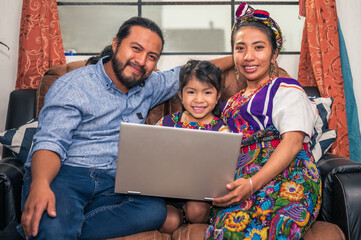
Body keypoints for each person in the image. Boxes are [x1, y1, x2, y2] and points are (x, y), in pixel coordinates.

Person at [18, 17, 233, 240]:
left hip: (115, 183)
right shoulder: (74, 85)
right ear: (116, 44)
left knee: (154, 211)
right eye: (136, 48)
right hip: (67, 172)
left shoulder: (149, 85)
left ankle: (62, 229)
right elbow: (51, 142)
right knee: (52, 223)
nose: (141, 61)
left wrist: (241, 57)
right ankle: (55, 228)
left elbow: (190, 72)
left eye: (152, 57)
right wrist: (40, 184)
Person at [204, 3, 321, 240]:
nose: (248, 57)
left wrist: (252, 184)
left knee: (277, 229)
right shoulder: (229, 104)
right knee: (227, 231)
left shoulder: (286, 90)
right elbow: (199, 71)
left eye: (259, 47)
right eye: (240, 48)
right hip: (240, 181)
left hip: (288, 175)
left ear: (274, 53)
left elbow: (293, 143)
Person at [156, 60, 230, 234]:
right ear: (180, 95)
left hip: (200, 194)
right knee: (169, 222)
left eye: (207, 92)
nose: (199, 100)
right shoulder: (165, 123)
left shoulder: (221, 130)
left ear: (218, 96)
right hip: (168, 193)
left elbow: (222, 171)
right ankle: (180, 216)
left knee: (197, 212)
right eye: (191, 92)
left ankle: (189, 214)